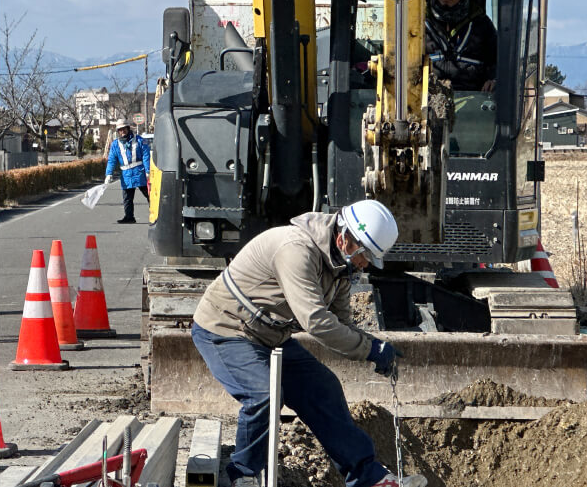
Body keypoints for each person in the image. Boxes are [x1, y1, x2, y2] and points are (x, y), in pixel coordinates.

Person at [191, 200, 427, 487]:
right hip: (226, 328)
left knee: (323, 389)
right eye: (365, 255)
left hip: (269, 335)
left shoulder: (340, 267)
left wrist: (373, 344)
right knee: (263, 394)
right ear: (344, 238)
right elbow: (315, 321)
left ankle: (369, 478)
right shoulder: (296, 250)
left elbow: (342, 323)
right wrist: (370, 350)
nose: (366, 264)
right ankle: (244, 475)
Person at [425, 0, 497, 92]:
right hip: (424, 103)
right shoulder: (416, 23)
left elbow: (499, 62)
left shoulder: (481, 25)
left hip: (470, 104)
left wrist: (494, 79)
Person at [105, 119, 150, 224]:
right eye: (120, 130)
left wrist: (148, 170)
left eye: (124, 129)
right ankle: (129, 217)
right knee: (127, 198)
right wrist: (109, 174)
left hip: (140, 173)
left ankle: (157, 215)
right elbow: (111, 160)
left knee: (150, 195)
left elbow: (146, 155)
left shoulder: (139, 140)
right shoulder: (115, 144)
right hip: (126, 175)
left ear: (128, 129)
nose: (122, 131)